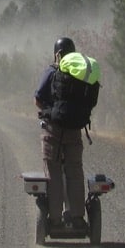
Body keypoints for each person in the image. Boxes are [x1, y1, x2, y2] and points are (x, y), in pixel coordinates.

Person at [34, 36, 100, 231]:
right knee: (75, 172)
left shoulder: (52, 71)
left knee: (53, 172)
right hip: (75, 130)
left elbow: (38, 99)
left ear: (57, 54)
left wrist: (50, 109)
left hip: (53, 130)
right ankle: (78, 218)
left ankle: (55, 220)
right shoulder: (82, 74)